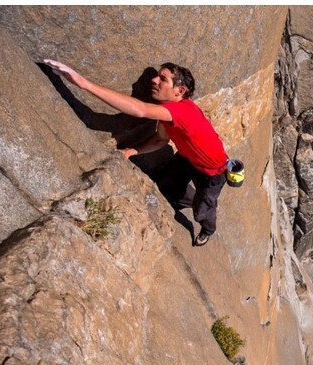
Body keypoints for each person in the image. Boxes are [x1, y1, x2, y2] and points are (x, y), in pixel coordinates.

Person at [44, 59, 228, 246]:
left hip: (212, 171)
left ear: (179, 91)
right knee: (166, 184)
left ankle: (208, 228)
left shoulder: (182, 111)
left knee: (202, 211)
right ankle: (189, 199)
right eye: (156, 75)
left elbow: (140, 110)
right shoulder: (167, 111)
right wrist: (132, 151)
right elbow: (161, 139)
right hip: (187, 157)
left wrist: (84, 84)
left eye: (162, 79)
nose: (154, 80)